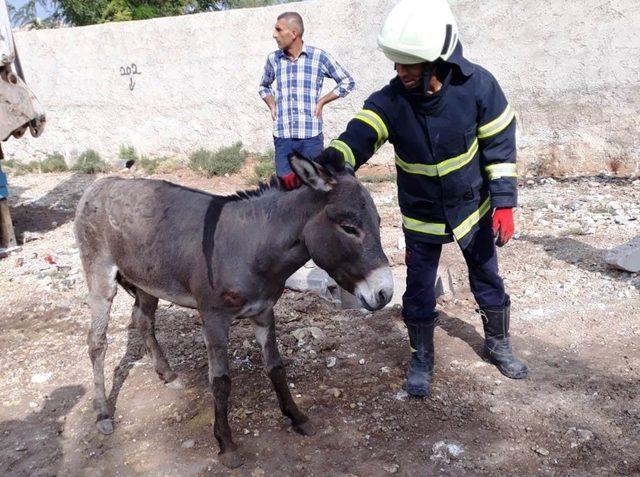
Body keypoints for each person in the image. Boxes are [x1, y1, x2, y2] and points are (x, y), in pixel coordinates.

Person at [319, 0, 528, 396]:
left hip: (472, 209)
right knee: (417, 288)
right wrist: (335, 158)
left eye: (409, 65)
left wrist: (504, 202)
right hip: (422, 216)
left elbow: (500, 145)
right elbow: (362, 132)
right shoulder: (391, 101)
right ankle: (421, 357)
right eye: (397, 65)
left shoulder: (479, 87)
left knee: (486, 275)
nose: (400, 73)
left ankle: (498, 344)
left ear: (436, 61)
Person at [259, 11, 355, 189]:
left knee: (313, 191)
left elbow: (347, 81)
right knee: (285, 191)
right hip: (283, 137)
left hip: (310, 138)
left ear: (293, 33)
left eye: (278, 30)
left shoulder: (319, 57)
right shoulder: (274, 59)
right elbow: (264, 86)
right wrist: (272, 105)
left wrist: (322, 101)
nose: (274, 34)